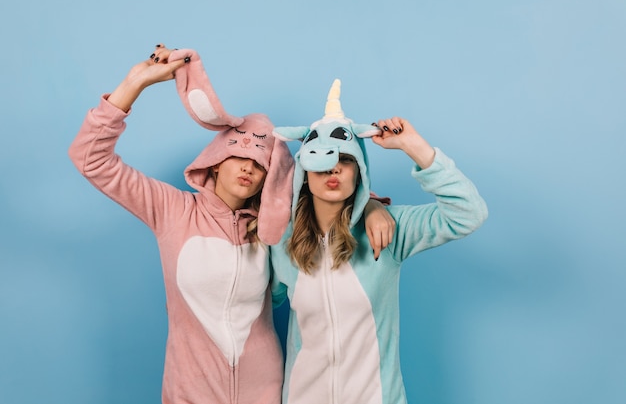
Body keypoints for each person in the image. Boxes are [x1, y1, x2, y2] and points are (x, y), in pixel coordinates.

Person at [68, 46, 394, 404]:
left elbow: (332, 193)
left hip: (265, 392)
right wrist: (136, 83)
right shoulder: (172, 210)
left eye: (259, 164)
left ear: (268, 178)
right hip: (190, 392)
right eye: (238, 155)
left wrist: (374, 207)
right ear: (216, 161)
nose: (247, 167)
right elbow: (90, 158)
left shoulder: (274, 224)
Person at [270, 79, 489, 404]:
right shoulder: (281, 241)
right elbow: (253, 304)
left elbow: (469, 213)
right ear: (304, 171)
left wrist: (413, 146)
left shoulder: (390, 230)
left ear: (359, 172)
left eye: (345, 161)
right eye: (322, 162)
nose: (334, 170)